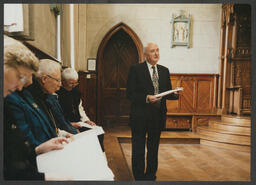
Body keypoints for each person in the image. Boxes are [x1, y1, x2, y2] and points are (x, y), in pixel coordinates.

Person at [3, 35, 70, 180]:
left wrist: (38, 149)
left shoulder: (23, 95)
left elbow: (13, 156)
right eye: (20, 77)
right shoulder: (11, 99)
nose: (21, 86)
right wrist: (43, 178)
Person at [126, 42, 179, 181]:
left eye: (157, 50)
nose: (156, 54)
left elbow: (166, 92)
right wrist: (146, 98)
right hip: (139, 116)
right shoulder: (136, 69)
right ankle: (138, 177)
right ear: (145, 54)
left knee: (153, 149)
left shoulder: (164, 70)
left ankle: (150, 177)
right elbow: (130, 94)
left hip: (157, 117)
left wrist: (175, 94)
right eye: (152, 51)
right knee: (138, 149)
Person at [5, 59, 77, 148]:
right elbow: (28, 136)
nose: (60, 85)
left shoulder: (45, 95)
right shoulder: (23, 96)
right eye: (58, 80)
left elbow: (48, 125)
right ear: (44, 79)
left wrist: (62, 133)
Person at [56, 67, 105, 152]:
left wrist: (86, 120)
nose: (74, 86)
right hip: (66, 125)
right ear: (63, 81)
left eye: (76, 83)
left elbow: (79, 108)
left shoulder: (76, 91)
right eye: (71, 83)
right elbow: (57, 116)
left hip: (79, 122)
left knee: (98, 132)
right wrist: (70, 125)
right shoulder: (57, 94)